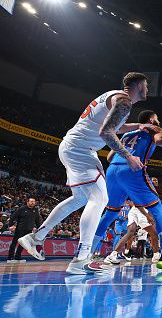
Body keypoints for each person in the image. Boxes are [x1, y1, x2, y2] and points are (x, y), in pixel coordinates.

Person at [18, 72, 149, 275]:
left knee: (80, 198)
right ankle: (81, 258)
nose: (147, 90)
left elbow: (115, 127)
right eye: (146, 86)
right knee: (100, 197)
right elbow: (106, 132)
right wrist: (128, 156)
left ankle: (36, 237)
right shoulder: (124, 101)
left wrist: (138, 126)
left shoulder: (116, 98)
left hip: (75, 147)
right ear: (139, 86)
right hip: (80, 150)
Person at [91, 109, 162, 271]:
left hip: (113, 171)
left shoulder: (128, 133)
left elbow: (109, 157)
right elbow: (161, 141)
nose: (159, 122)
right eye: (157, 119)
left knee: (110, 213)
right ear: (150, 119)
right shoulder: (154, 128)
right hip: (133, 169)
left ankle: (87, 253)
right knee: (157, 209)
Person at [6, 198, 41, 263]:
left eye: (34, 201)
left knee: (23, 244)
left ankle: (17, 257)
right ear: (27, 202)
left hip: (29, 230)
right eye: (31, 201)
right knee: (14, 243)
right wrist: (11, 225)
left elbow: (37, 221)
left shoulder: (35, 210)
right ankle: (10, 257)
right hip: (19, 229)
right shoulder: (22, 209)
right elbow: (13, 216)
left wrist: (39, 228)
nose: (33, 203)